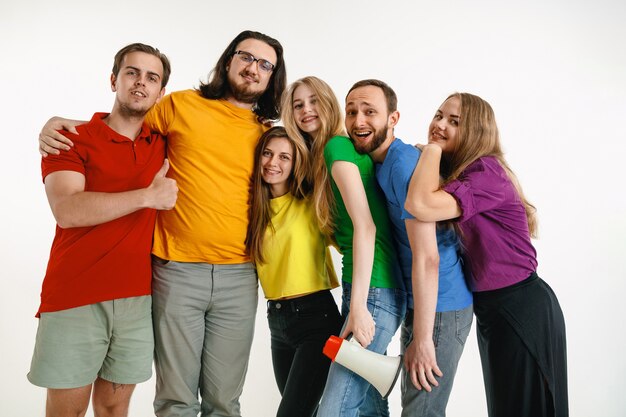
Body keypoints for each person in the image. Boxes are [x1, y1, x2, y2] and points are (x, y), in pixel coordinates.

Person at [37, 30, 287, 417]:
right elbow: (124, 118)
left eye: (265, 64)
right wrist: (60, 123)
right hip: (175, 272)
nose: (253, 68)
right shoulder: (181, 106)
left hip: (239, 275)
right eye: (246, 57)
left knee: (225, 400)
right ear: (228, 61)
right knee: (175, 400)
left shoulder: (267, 133)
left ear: (272, 76)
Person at [28, 43, 177, 417]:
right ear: (114, 80)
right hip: (75, 296)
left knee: (113, 409)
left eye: (152, 77)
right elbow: (67, 210)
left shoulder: (164, 145)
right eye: (132, 73)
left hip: (137, 300)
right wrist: (146, 197)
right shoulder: (70, 139)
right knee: (68, 412)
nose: (141, 83)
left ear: (161, 93)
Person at [405, 92, 568, 417]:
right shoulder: (464, 173)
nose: (439, 124)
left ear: (476, 132)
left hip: (521, 308)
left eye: (454, 121)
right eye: (438, 115)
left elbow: (419, 205)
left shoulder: (486, 173)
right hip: (495, 310)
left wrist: (432, 150)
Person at [343, 79, 474, 416]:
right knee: (414, 406)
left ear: (393, 118)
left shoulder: (402, 166)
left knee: (421, 411)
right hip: (422, 303)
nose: (358, 121)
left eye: (370, 112)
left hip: (441, 307)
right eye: (352, 111)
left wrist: (425, 337)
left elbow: (428, 256)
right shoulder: (381, 162)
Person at [282, 76, 406, 417]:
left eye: (314, 102)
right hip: (371, 286)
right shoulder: (331, 154)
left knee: (335, 409)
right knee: (366, 404)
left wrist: (359, 307)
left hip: (374, 291)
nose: (306, 111)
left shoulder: (337, 147)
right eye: (297, 105)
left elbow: (366, 227)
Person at [246, 126, 343, 417]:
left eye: (284, 157)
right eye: (267, 153)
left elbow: (351, 239)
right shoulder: (253, 210)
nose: (273, 162)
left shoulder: (312, 203)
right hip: (277, 323)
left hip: (316, 321)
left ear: (296, 163)